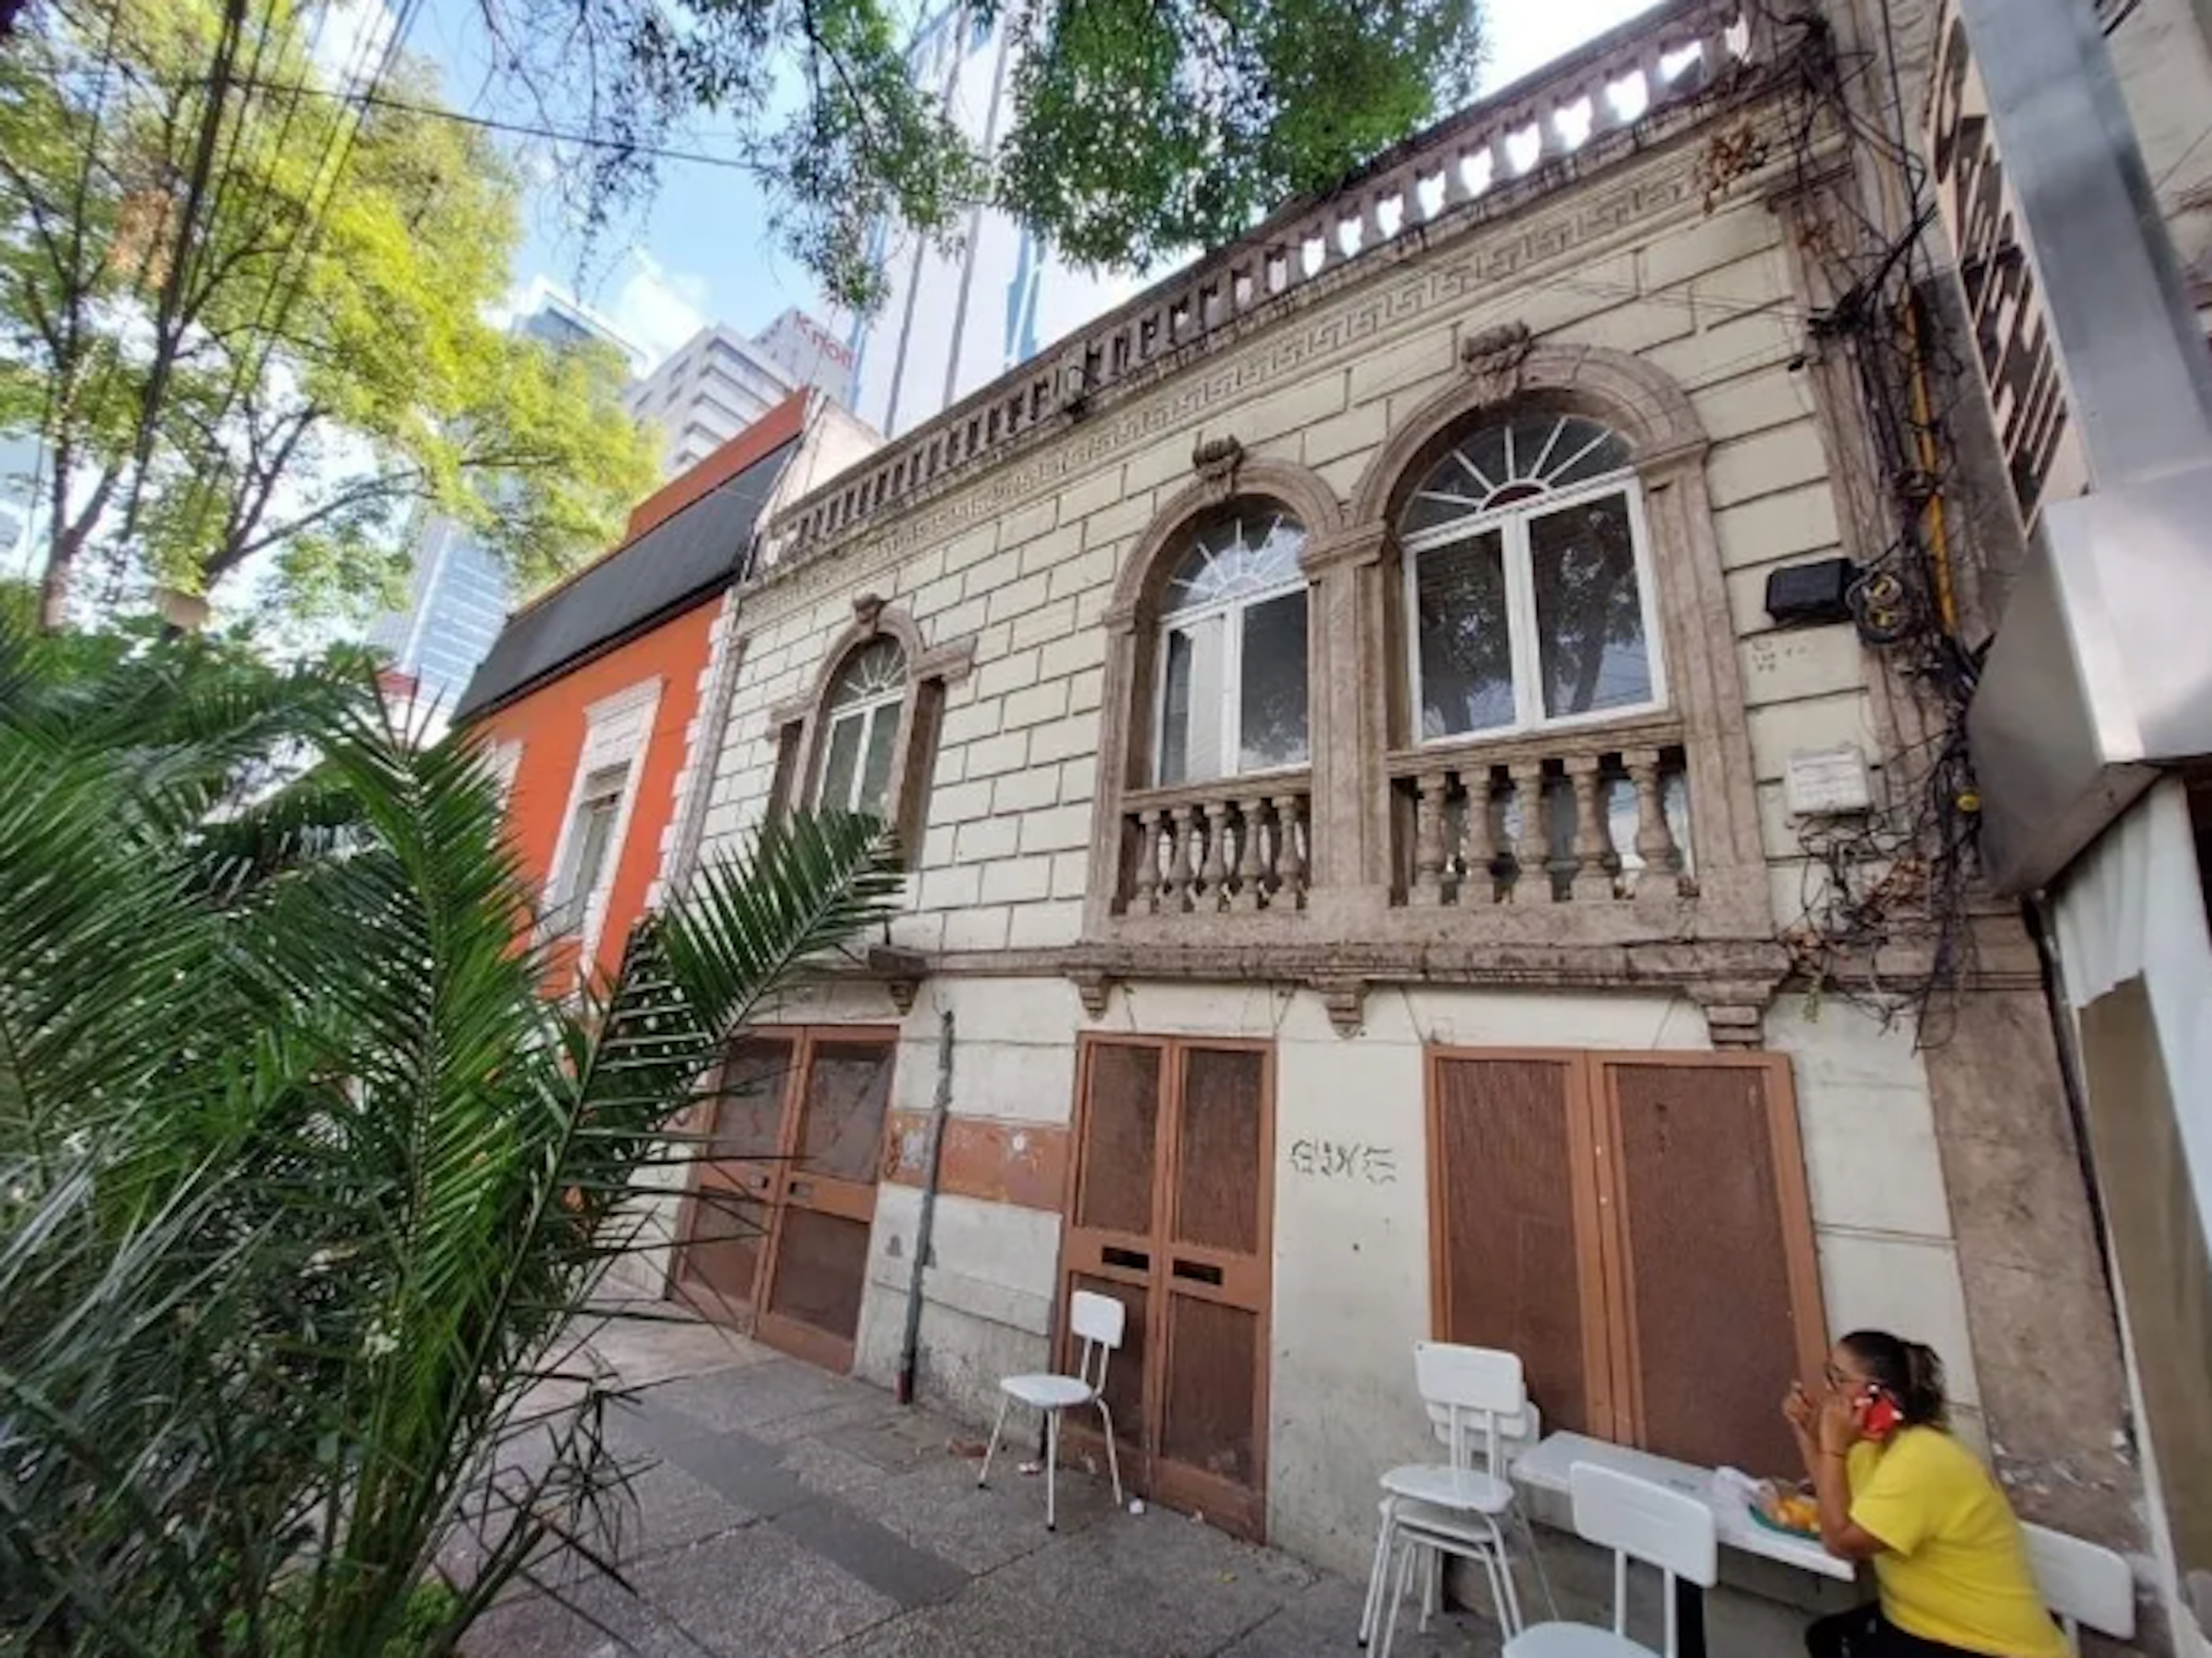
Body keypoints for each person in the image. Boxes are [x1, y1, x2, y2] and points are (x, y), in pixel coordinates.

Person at [1782, 1331, 2068, 1658]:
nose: (1829, 1393)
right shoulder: (1871, 1448)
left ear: (1877, 1394)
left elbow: (1842, 1542)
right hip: (1922, 1624)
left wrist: (1833, 1446)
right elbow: (1833, 1497)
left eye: (1839, 1380)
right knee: (1827, 1638)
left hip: (1988, 1645)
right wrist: (1806, 1430)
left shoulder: (1924, 1458)